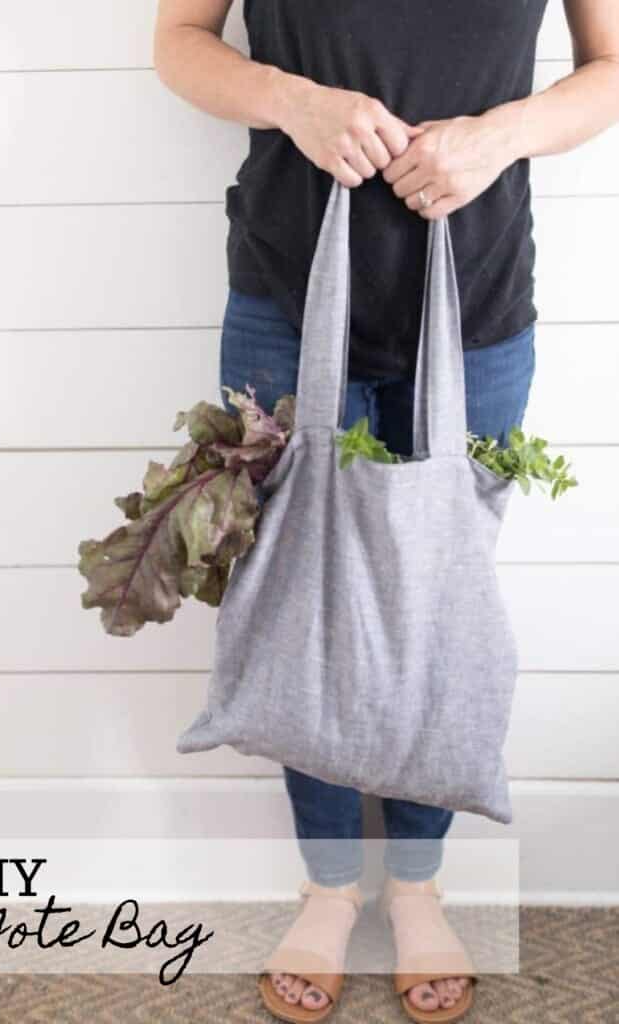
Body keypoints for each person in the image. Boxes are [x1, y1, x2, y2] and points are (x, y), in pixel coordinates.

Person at [154, 2, 619, 1020]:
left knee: (429, 609)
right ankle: (327, 886)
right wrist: (294, 104)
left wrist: (497, 137)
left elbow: (608, 66)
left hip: (476, 304)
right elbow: (177, 40)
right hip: (284, 298)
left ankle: (414, 885)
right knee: (300, 601)